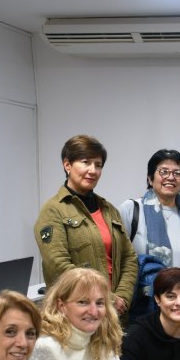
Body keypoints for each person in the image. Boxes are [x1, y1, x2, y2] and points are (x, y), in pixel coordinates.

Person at [35, 135, 138, 322]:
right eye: (85, 162)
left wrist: (121, 297)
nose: (93, 170)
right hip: (74, 318)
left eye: (98, 165)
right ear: (67, 165)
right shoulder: (53, 211)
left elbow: (129, 258)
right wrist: (105, 300)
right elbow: (59, 267)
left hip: (114, 317)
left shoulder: (109, 210)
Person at [118, 149, 180, 317]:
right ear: (150, 178)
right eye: (163, 171)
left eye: (177, 173)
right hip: (143, 310)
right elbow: (118, 259)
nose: (170, 177)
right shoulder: (132, 210)